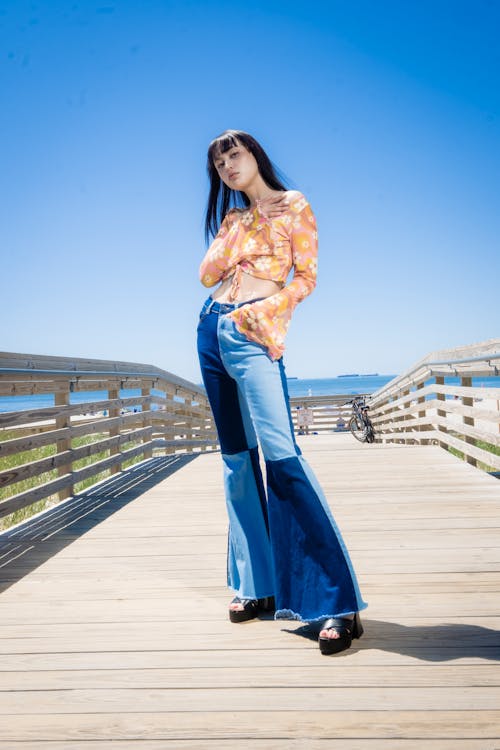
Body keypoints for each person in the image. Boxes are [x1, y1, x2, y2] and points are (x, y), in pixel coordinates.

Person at [196, 129, 367, 655]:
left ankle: (335, 602)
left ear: (255, 156)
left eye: (235, 154)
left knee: (282, 458)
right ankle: (256, 587)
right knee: (236, 464)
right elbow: (206, 275)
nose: (227, 165)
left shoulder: (294, 206)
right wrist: (238, 238)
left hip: (254, 334)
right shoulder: (232, 220)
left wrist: (261, 311)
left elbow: (306, 277)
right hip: (210, 331)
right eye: (219, 163)